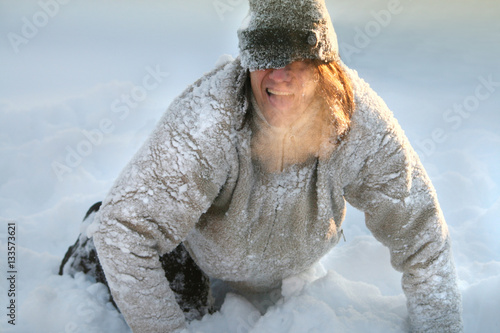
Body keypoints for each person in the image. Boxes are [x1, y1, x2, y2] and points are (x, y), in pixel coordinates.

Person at [59, 0, 464, 332]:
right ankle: (86, 244)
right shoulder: (210, 119)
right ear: (249, 58)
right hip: (192, 253)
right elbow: (125, 231)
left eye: (299, 59)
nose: (281, 75)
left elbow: (423, 240)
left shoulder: (359, 124)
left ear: (324, 63)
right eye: (267, 55)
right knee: (173, 295)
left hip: (284, 264)